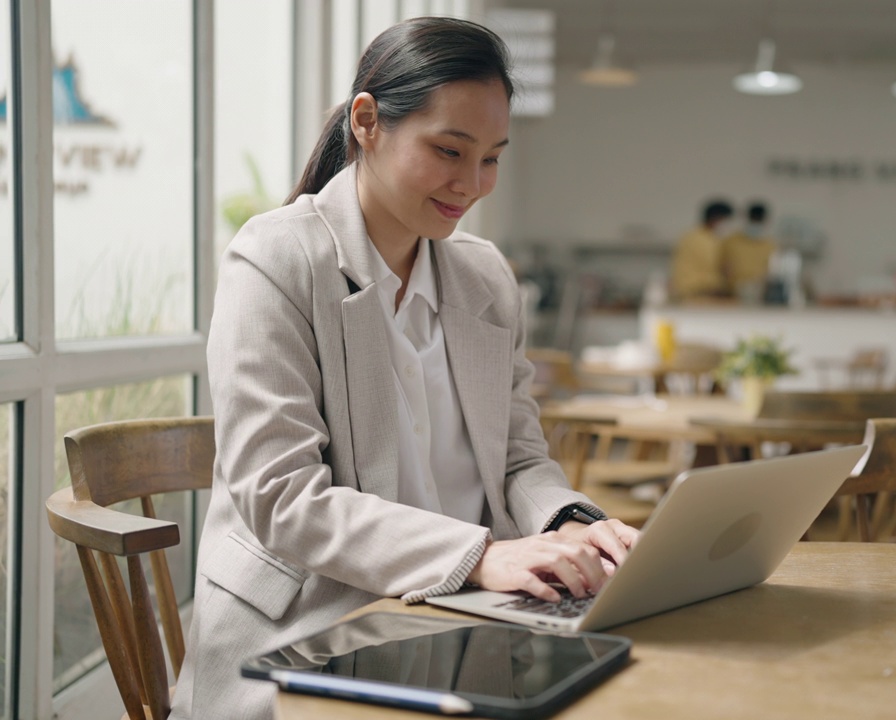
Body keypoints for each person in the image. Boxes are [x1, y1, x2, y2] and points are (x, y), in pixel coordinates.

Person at [171, 18, 638, 720]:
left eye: (492, 158)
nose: (472, 184)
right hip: (308, 636)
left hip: (459, 624)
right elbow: (283, 499)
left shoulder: (485, 277)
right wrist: (481, 556)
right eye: (449, 150)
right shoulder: (276, 259)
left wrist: (567, 523)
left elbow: (518, 458)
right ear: (367, 121)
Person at [670, 199, 733, 301]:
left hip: (696, 292)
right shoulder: (701, 240)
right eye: (726, 221)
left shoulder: (694, 236)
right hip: (697, 293)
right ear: (716, 219)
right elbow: (719, 266)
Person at [722, 201, 777, 300]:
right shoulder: (731, 241)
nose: (756, 223)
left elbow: (773, 271)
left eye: (759, 220)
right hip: (732, 293)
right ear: (746, 219)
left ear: (765, 221)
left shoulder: (770, 245)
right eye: (753, 219)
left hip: (761, 293)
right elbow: (722, 267)